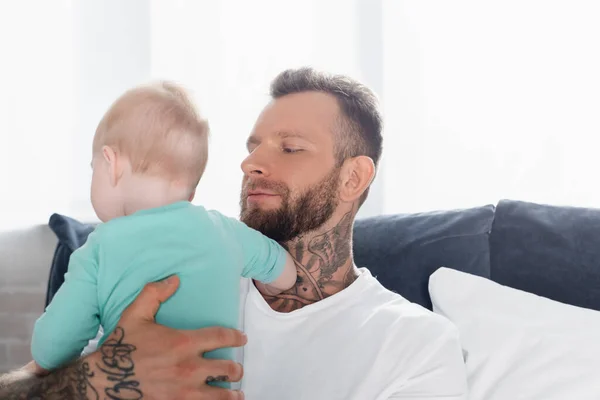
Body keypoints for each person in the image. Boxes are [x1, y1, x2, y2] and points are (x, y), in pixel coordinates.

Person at [0, 68, 468, 400]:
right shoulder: (166, 268)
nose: (250, 163)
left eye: (289, 147)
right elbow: (28, 381)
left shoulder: (415, 345)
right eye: (252, 148)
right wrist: (93, 382)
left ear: (353, 178)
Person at [26, 82, 297, 382]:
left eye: (93, 168)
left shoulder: (101, 247)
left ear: (111, 164)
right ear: (191, 193)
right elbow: (285, 272)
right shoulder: (225, 231)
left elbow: (50, 351)